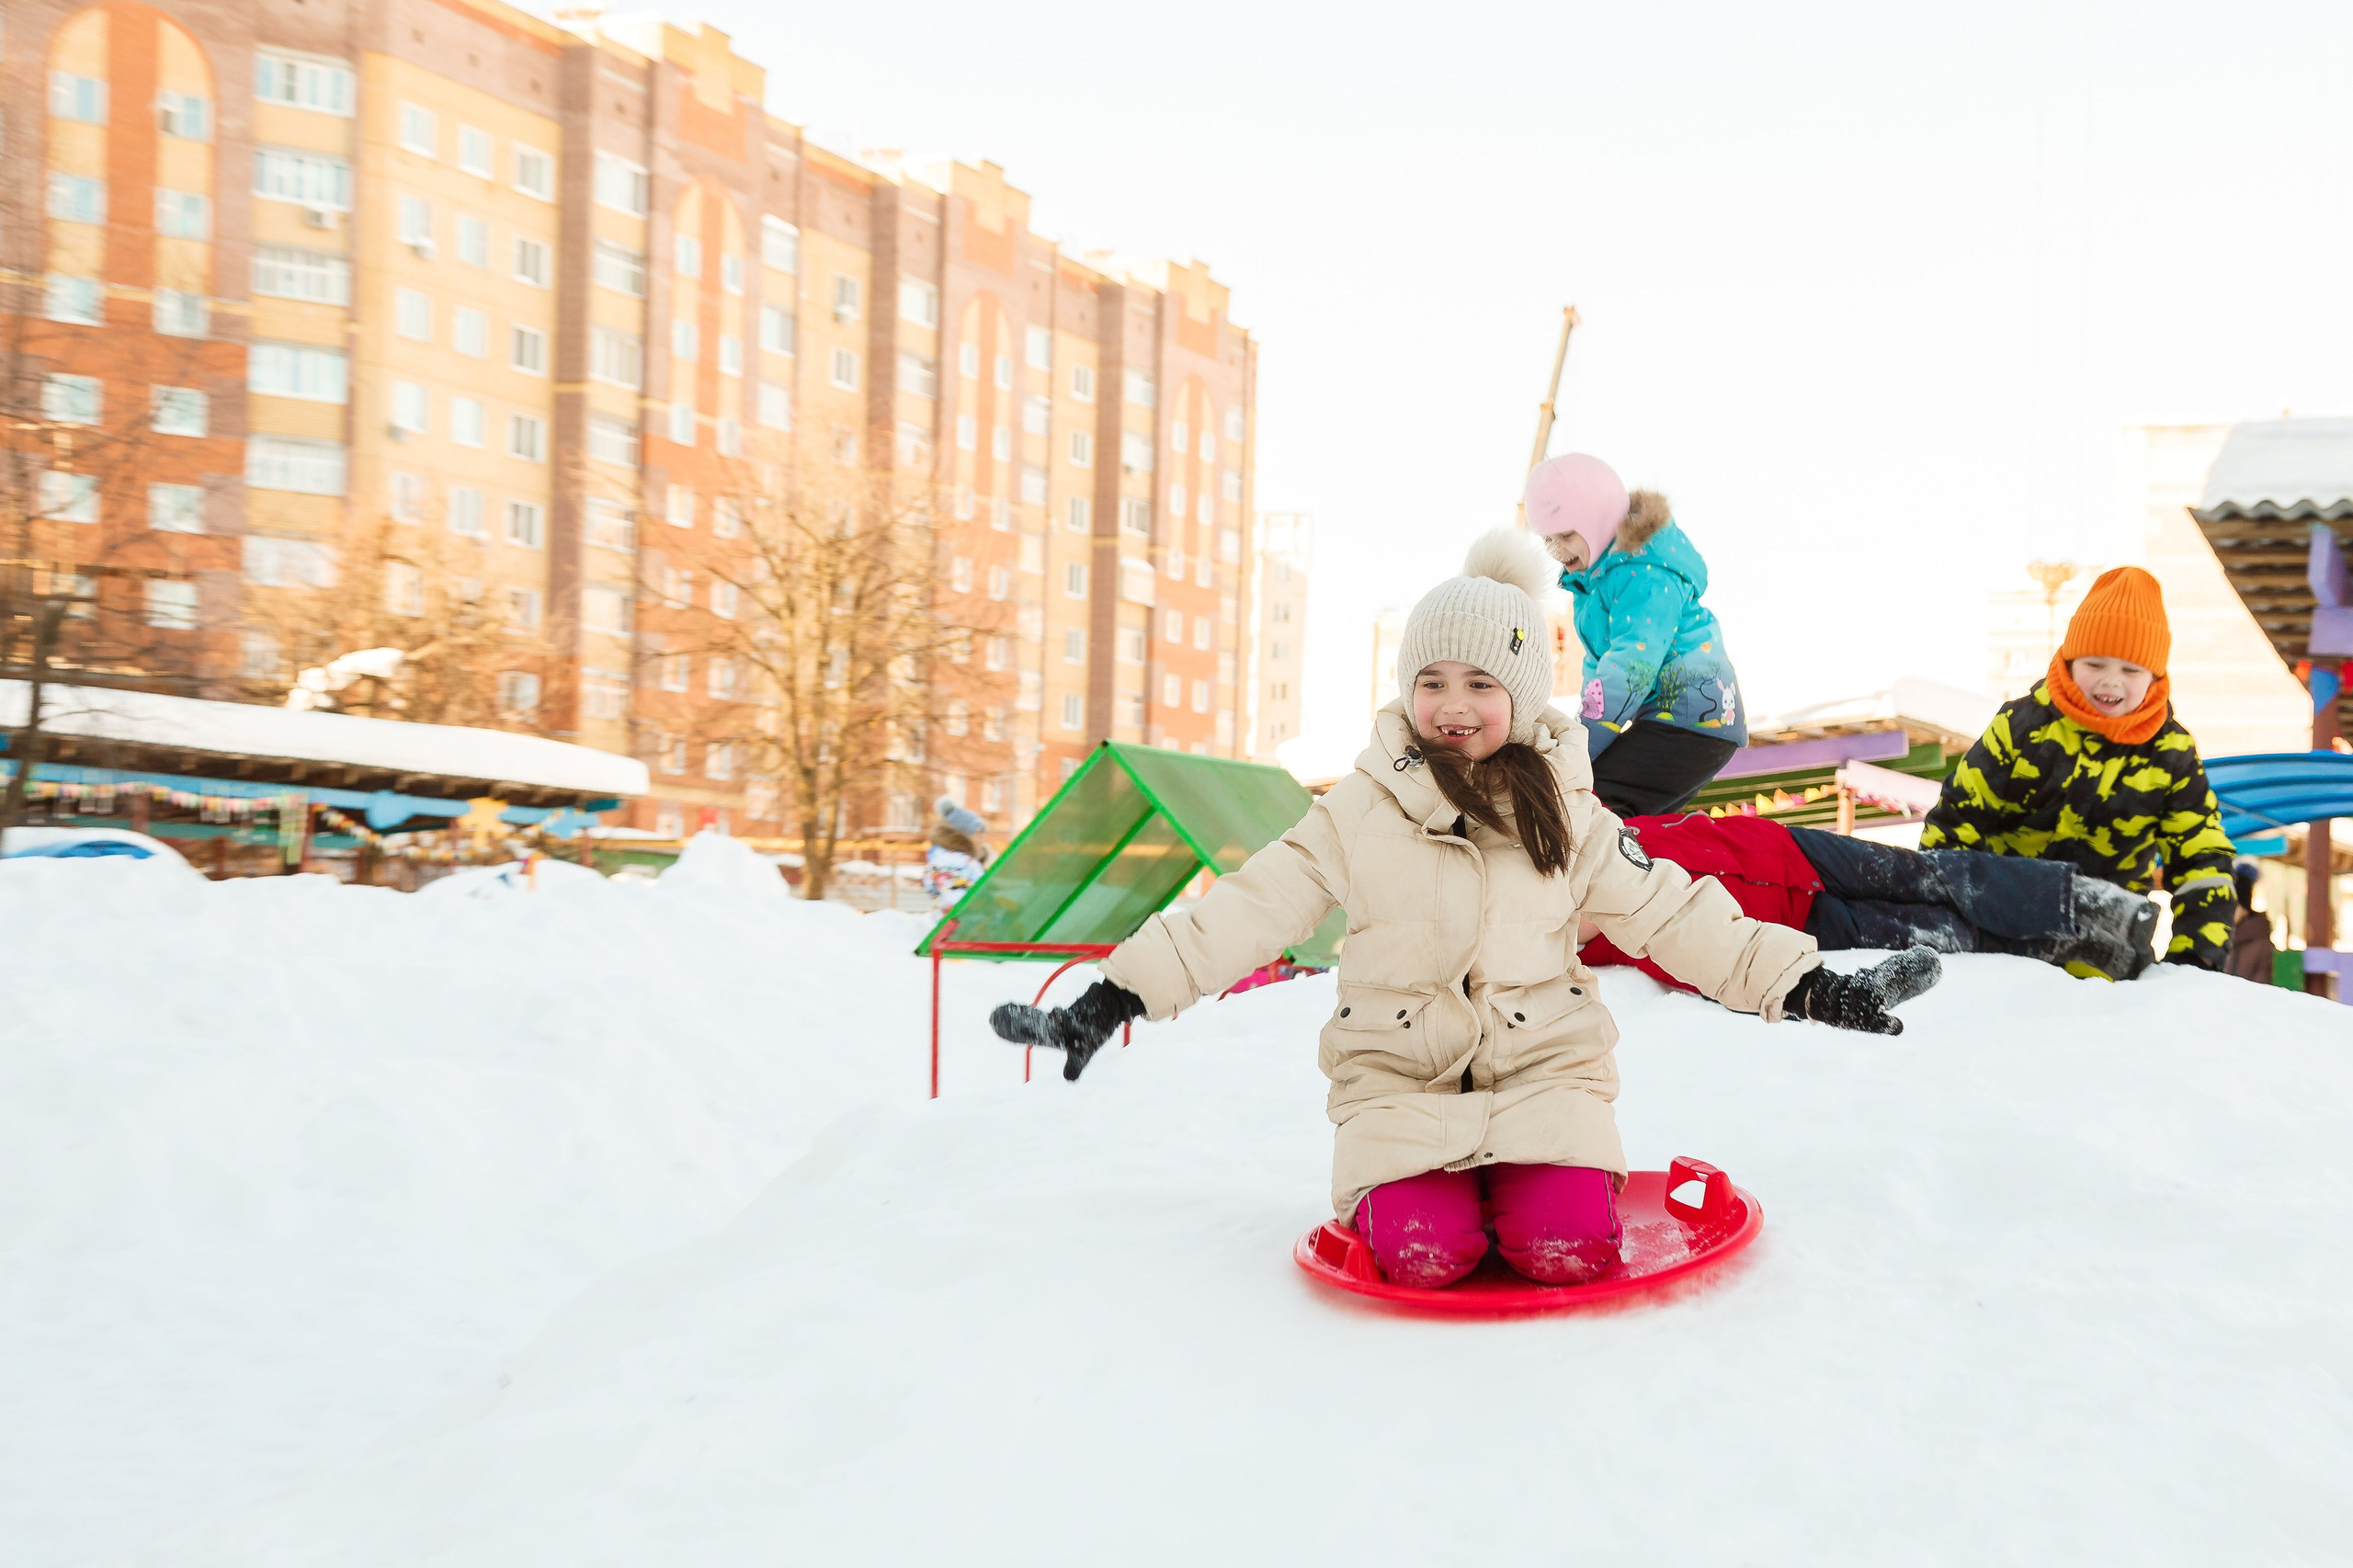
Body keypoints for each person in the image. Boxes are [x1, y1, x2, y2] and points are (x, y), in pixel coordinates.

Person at [989, 530, 1940, 1291]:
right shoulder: (1358, 809)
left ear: (1521, 697)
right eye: (1432, 681)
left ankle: (1534, 1190)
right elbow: (1245, 910)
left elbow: (1668, 910)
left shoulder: (1567, 810)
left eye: (1481, 683)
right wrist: (1113, 995)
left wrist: (1808, 983)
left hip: (1546, 1077)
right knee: (1426, 1258)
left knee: (1564, 1247)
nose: (1453, 705)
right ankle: (1426, 1198)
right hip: (1398, 1083)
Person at [1919, 566, 2236, 971]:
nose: (2111, 682)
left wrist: (2193, 965)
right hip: (1998, 935)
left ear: (2155, 677)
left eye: (2130, 670)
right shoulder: (2021, 727)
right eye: (2095, 664)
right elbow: (1953, 826)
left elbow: (2202, 857)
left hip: (2106, 944)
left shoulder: (2171, 753)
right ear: (2069, 660)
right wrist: (1940, 923)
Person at [1577, 811, 2161, 986]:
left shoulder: (1569, 822)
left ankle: (2083, 902)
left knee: (1937, 876)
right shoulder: (1577, 946)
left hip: (1780, 848)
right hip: (1791, 925)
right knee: (1946, 935)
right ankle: (2071, 946)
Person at [1524, 453, 1747, 816]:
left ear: (1599, 520)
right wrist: (1579, 736)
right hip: (1666, 722)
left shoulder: (1645, 575)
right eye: (1547, 538)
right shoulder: (1597, 582)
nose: (1555, 549)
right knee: (1587, 796)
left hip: (1695, 723)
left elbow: (1629, 668)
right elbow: (1599, 668)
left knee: (1589, 805)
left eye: (1566, 534)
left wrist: (1581, 746)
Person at [923, 796, 990, 914]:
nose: (982, 838)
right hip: (960, 928)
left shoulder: (961, 860)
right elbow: (958, 900)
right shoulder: (951, 862)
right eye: (978, 833)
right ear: (964, 835)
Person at [2224, 859, 2278, 984]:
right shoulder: (2219, 938)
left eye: (2234, 905)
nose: (2227, 911)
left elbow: (2263, 988)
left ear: (2245, 909)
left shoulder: (2263, 945)